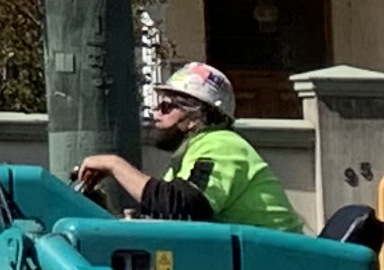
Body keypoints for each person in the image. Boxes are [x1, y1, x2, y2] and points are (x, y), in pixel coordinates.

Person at [75, 63, 302, 229]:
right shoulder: (190, 153)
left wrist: (114, 165)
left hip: (281, 263)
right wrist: (101, 209)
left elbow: (183, 208)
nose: (156, 114)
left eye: (166, 107)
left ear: (196, 116)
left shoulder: (222, 144)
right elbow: (165, 218)